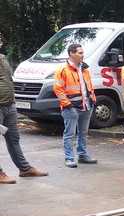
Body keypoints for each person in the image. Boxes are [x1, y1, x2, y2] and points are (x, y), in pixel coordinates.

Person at [0, 33, 48, 183]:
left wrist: (13, 100)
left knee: (13, 138)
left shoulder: (3, 58)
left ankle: (25, 169)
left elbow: (8, 80)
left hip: (9, 105)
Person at [54, 44, 97, 168]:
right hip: (71, 107)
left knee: (83, 132)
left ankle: (82, 155)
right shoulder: (63, 70)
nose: (82, 55)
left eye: (82, 52)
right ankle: (69, 158)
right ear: (71, 54)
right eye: (80, 53)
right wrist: (67, 105)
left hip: (86, 105)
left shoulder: (85, 69)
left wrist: (92, 99)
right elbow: (58, 89)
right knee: (70, 134)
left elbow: (89, 86)